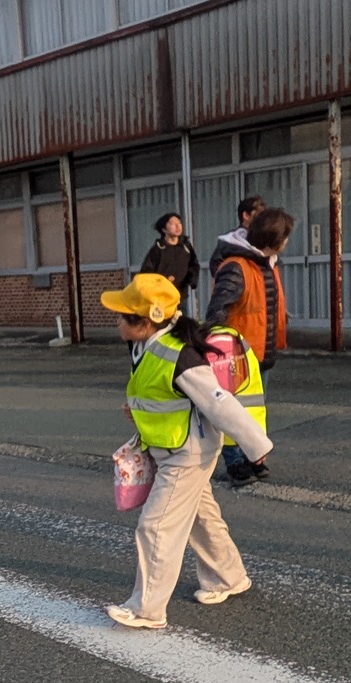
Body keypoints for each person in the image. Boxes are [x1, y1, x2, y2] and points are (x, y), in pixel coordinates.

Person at [101, 273, 275, 630]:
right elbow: (165, 395)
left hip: (187, 452)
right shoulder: (146, 345)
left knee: (156, 526)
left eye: (122, 316)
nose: (117, 321)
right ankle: (228, 577)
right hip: (173, 447)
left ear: (146, 322)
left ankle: (147, 609)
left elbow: (219, 403)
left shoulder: (180, 355)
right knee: (199, 517)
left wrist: (255, 447)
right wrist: (137, 410)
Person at [205, 205, 291, 485]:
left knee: (254, 410)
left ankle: (252, 456)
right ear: (274, 238)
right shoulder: (238, 267)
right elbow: (217, 311)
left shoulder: (266, 264)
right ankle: (235, 463)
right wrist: (220, 353)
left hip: (260, 352)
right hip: (238, 357)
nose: (287, 241)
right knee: (233, 412)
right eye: (285, 236)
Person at [138, 212, 198, 308]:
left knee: (182, 317)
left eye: (179, 223)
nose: (178, 226)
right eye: (172, 223)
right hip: (161, 297)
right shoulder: (158, 249)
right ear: (164, 229)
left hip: (181, 295)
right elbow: (146, 271)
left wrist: (192, 281)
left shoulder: (186, 246)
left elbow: (194, 264)